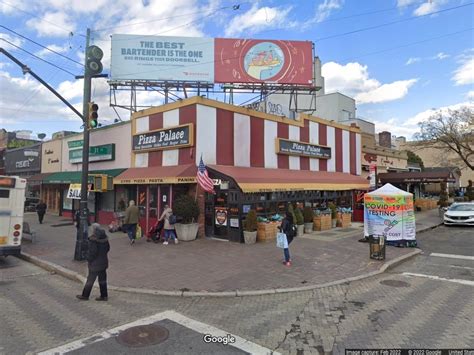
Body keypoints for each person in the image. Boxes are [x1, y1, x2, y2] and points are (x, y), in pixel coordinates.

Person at [76, 223, 110, 301]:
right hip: (103, 262)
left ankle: (85, 295)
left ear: (93, 230)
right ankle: (104, 296)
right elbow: (108, 248)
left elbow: (92, 252)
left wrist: (88, 259)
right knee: (102, 280)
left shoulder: (93, 240)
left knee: (90, 280)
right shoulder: (104, 238)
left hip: (95, 264)